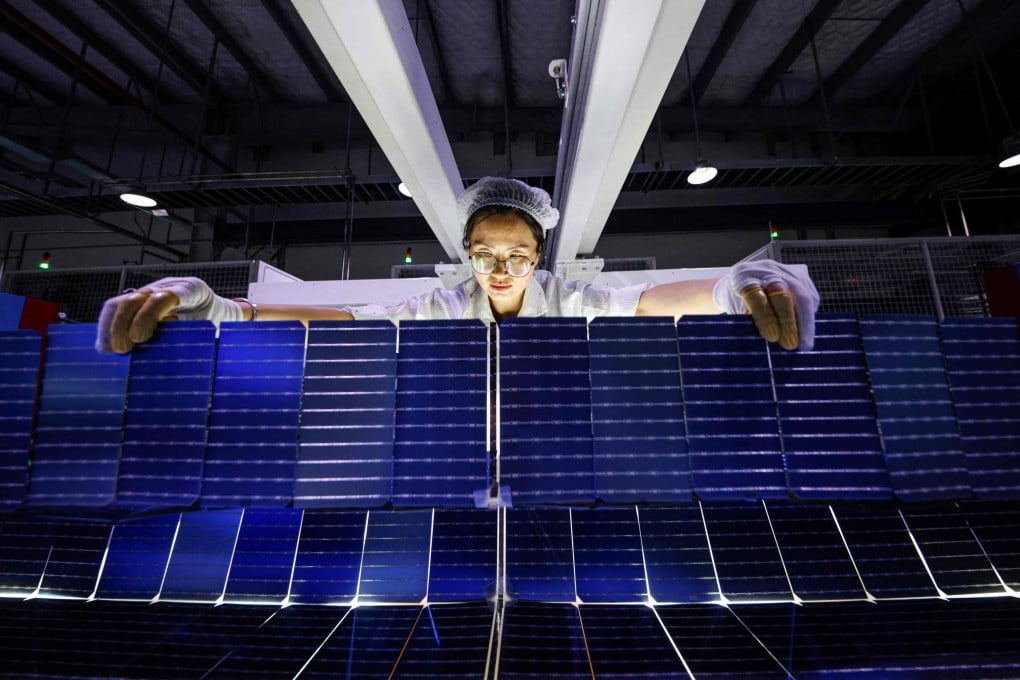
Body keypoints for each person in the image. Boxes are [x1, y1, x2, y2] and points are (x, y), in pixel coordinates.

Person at [95, 176, 819, 354]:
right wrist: (223, 309)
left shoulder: (570, 299)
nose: (500, 268)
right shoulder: (435, 311)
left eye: (517, 256)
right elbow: (342, 317)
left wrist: (731, 284)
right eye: (485, 255)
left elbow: (651, 300)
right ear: (466, 256)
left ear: (540, 257)